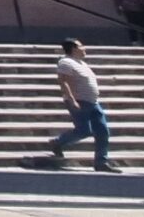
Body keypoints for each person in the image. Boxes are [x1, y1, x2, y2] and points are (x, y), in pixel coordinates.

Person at [42, 39, 120, 172]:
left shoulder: (82, 63)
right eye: (81, 46)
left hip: (93, 102)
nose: (84, 49)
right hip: (79, 101)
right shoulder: (65, 62)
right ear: (73, 48)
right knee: (84, 130)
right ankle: (58, 142)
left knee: (102, 131)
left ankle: (101, 162)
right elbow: (64, 82)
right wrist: (72, 99)